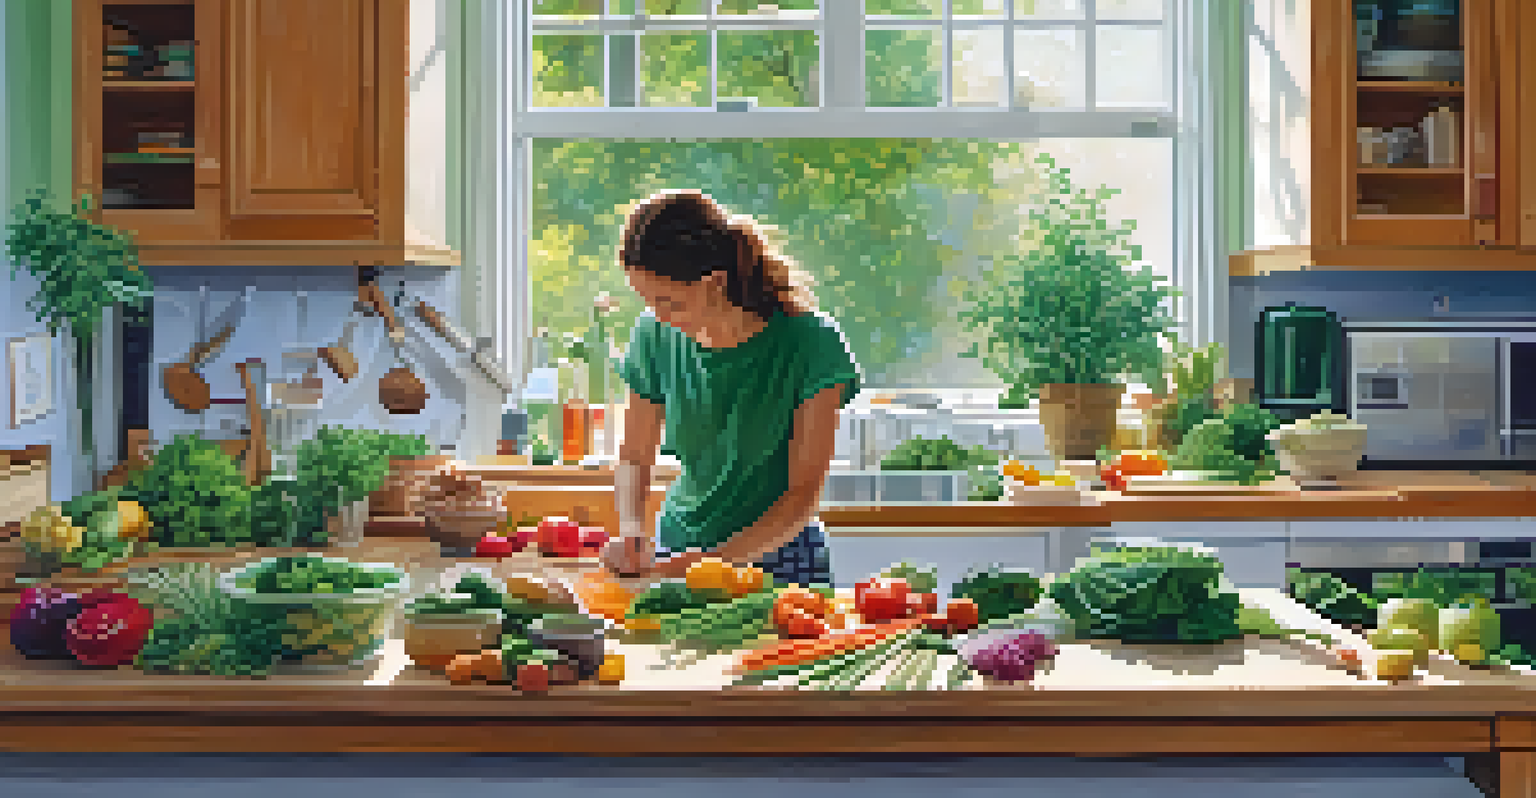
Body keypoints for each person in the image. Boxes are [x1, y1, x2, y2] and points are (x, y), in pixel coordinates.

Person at [601, 189, 861, 586]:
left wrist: (711, 564)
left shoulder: (812, 343)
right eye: (648, 301)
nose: (659, 317)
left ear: (715, 283)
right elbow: (634, 458)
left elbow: (801, 499)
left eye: (670, 302)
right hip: (678, 547)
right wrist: (632, 529)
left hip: (781, 560)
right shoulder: (653, 337)